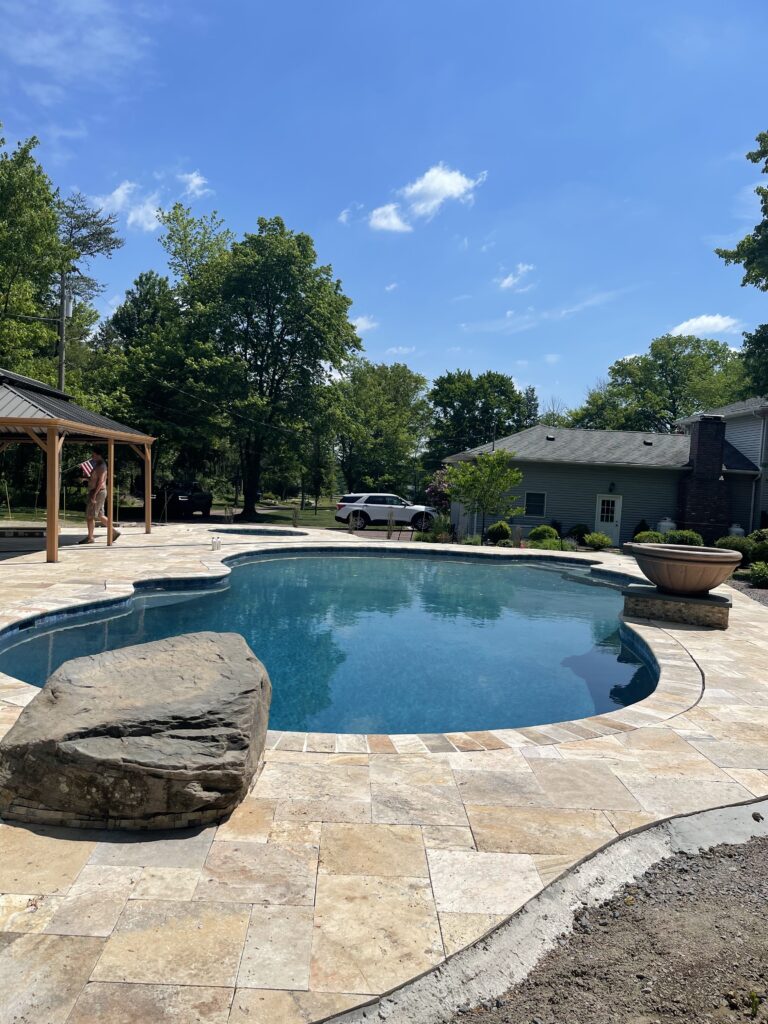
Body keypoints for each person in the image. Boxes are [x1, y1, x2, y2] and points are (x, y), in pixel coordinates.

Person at [79, 451, 120, 545]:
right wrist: (85, 479)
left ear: (99, 455)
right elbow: (95, 479)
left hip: (97, 492)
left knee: (90, 516)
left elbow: (101, 482)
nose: (92, 457)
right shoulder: (98, 465)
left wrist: (94, 495)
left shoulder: (102, 466)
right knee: (100, 515)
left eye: (93, 455)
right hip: (97, 492)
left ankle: (90, 538)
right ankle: (114, 532)